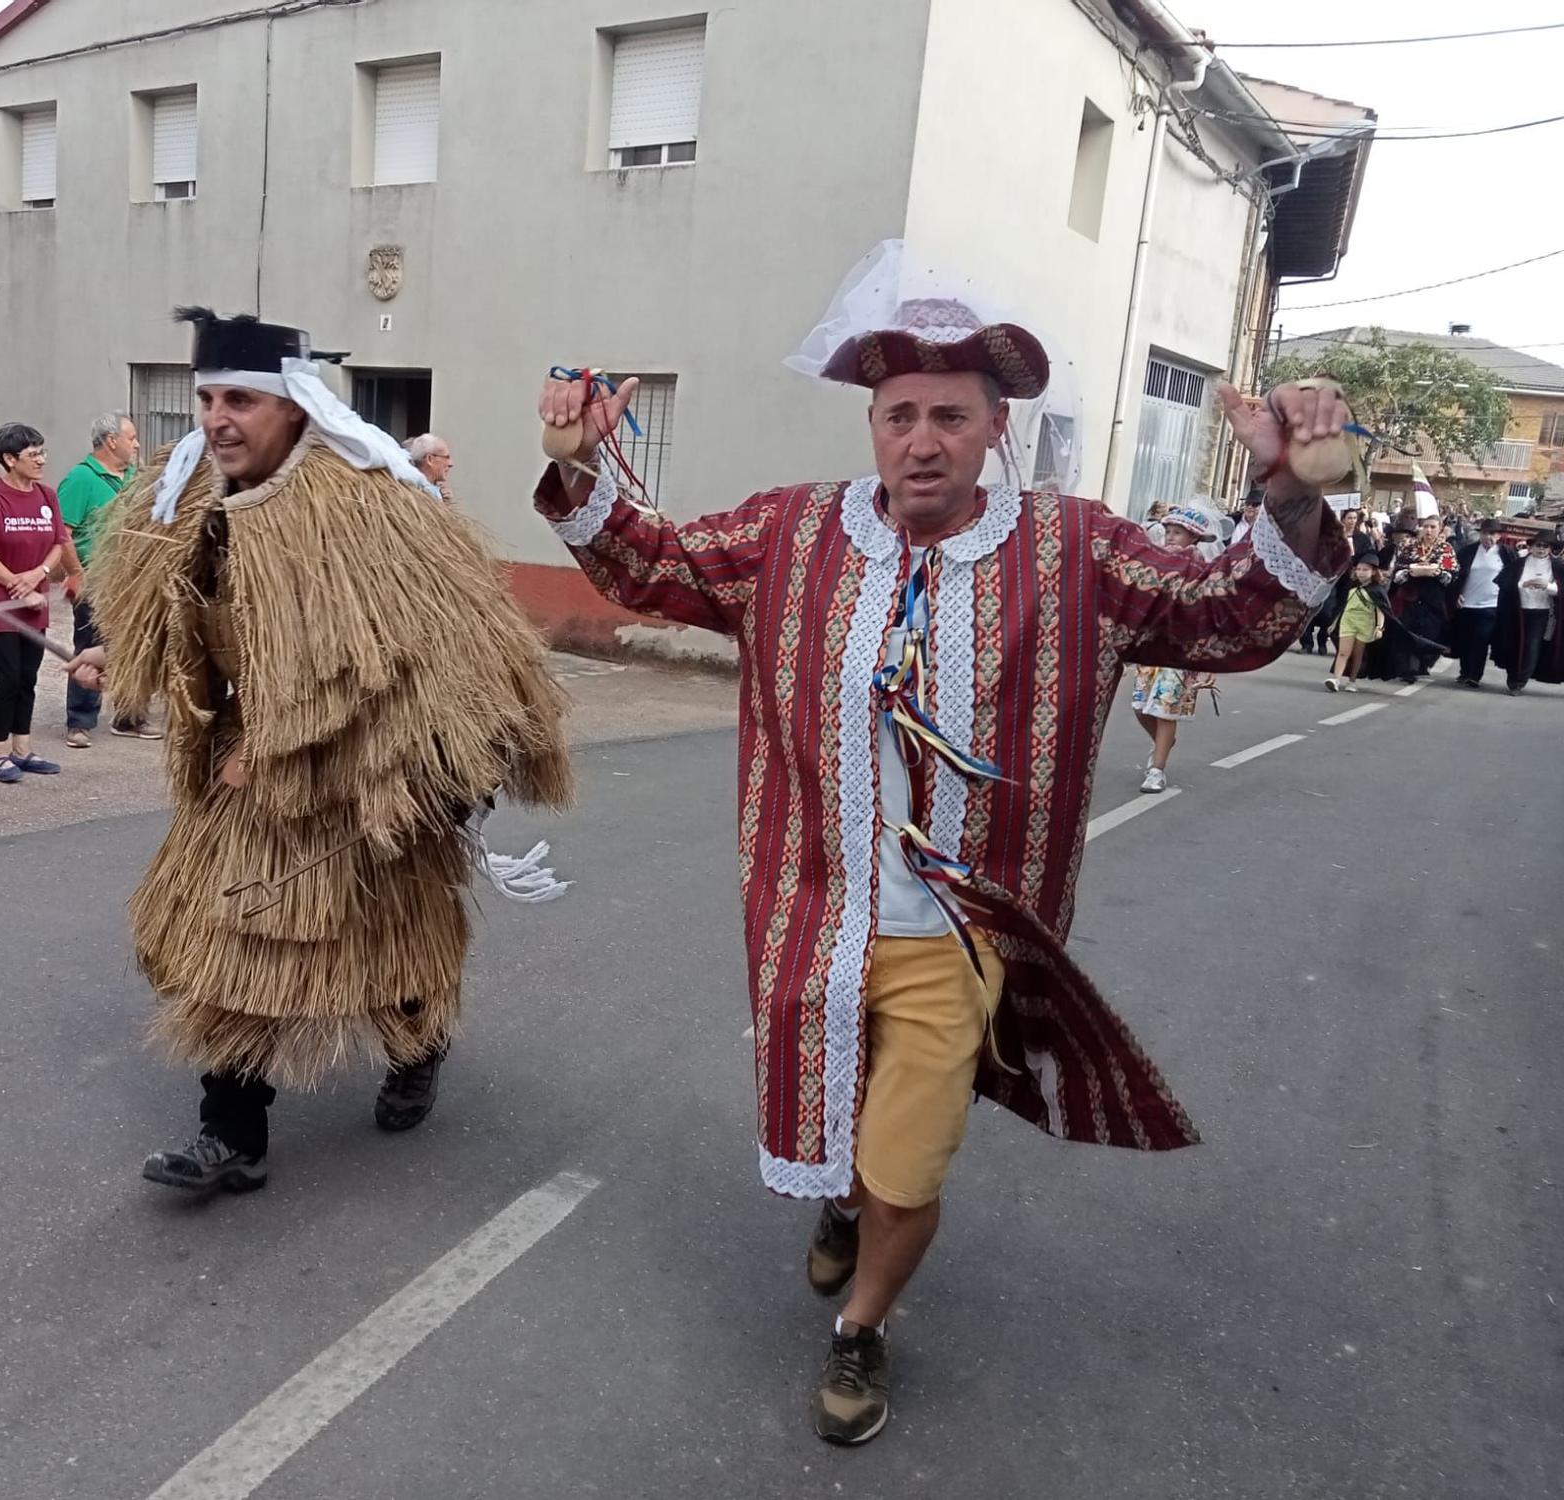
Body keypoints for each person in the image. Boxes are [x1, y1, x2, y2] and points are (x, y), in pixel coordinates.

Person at [532, 246, 1352, 1447]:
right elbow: (652, 565)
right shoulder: (788, 534)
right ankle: (838, 1207)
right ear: (872, 425)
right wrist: (576, 462)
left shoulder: (1075, 549)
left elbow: (1227, 613)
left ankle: (860, 1321)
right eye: (899, 415)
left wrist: (1287, 496)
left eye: (949, 418)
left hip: (955, 938)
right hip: (811, 915)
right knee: (832, 1126)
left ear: (993, 428)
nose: (921, 441)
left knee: (904, 1166)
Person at [77, 308, 572, 1195]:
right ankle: (231, 1135)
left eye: (240, 401)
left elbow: (410, 667)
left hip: (365, 777)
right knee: (232, 938)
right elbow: (180, 617)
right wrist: (123, 658)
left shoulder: (369, 511)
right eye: (206, 399)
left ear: (295, 406)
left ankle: (418, 1045)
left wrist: (285, 752)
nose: (217, 419)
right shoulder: (187, 498)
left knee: (392, 937)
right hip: (248, 777)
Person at [0, 422, 68, 784]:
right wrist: (18, 584)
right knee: (7, 678)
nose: (41, 460)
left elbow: (59, 544)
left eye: (42, 452)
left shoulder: (46, 496)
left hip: (34, 603)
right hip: (0, 605)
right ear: (10, 459)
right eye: (33, 454)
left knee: (28, 677)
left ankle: (22, 749)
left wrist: (39, 573)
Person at [54, 411, 157, 748]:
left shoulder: (135, 478)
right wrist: (76, 573)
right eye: (132, 438)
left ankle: (130, 716)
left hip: (134, 581)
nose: (137, 444)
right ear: (111, 441)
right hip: (96, 580)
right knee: (89, 645)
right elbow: (62, 534)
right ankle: (80, 721)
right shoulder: (80, 479)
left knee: (133, 647)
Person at [1130, 505, 1219, 792]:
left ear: (1193, 538)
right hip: (1153, 645)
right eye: (1168, 531)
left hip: (1181, 649)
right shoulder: (1158, 561)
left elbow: (1204, 612)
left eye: (1177, 532)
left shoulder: (1200, 569)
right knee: (1140, 708)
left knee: (1164, 709)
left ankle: (1157, 769)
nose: (1170, 536)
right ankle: (1162, 744)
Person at [1376, 514, 1456, 683]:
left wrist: (1438, 573)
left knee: (1430, 632)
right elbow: (1398, 572)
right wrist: (1409, 572)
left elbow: (1451, 574)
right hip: (1410, 596)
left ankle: (1422, 663)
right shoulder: (1410, 546)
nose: (1428, 530)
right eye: (1426, 526)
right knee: (1408, 630)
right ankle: (1408, 668)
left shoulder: (1446, 548)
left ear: (1440, 529)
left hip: (1432, 598)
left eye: (1433, 527)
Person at [1299, 506, 1373, 656]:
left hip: (1349, 578)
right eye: (1349, 518)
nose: (1352, 521)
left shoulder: (1362, 538)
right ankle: (1307, 642)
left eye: (1354, 518)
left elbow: (1367, 555)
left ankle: (1323, 639)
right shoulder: (1334, 535)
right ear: (1343, 519)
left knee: (1336, 610)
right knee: (1320, 606)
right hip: (1329, 575)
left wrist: (1359, 569)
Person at [1449, 516, 1513, 688]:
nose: (1488, 537)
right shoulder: (1467, 552)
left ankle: (1474, 675)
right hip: (1467, 603)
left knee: (1481, 640)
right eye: (1485, 533)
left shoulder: (1506, 554)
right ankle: (1464, 672)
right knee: (1465, 640)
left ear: (1499, 536)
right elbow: (1455, 575)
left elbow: (1513, 577)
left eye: (1493, 534)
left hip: (1491, 605)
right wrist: (1456, 594)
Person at [1497, 529, 1563, 694]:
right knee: (1513, 644)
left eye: (1545, 546)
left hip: (1541, 612)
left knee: (1531, 646)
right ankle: (1512, 677)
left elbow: (1560, 589)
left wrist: (1547, 586)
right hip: (1518, 611)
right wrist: (1522, 585)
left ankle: (1520, 682)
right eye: (1538, 545)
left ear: (1550, 548)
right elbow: (1505, 583)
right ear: (1531, 546)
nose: (1541, 549)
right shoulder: (1519, 563)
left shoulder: (1557, 566)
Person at [1325, 556, 1386, 692]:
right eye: (1359, 569)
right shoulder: (1350, 586)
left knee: (1358, 655)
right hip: (1348, 620)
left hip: (1366, 623)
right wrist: (1334, 622)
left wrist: (1379, 627)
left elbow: (1381, 609)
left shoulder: (1377, 590)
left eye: (1365, 570)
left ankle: (1352, 681)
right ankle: (1336, 679)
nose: (1361, 572)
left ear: (1373, 572)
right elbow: (1343, 605)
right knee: (1343, 652)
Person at [403, 432, 454, 499]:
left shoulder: (438, 493)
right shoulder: (410, 493)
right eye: (446, 457)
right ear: (429, 459)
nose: (451, 464)